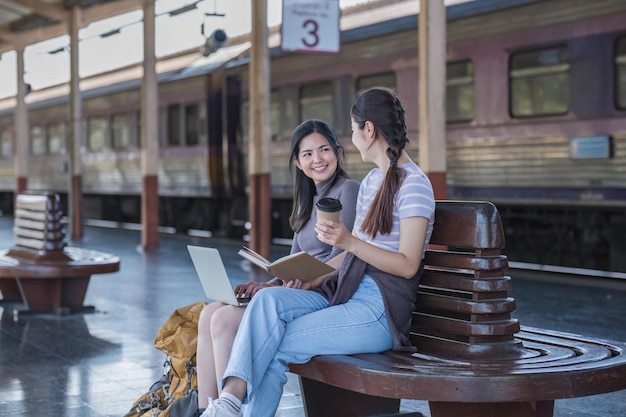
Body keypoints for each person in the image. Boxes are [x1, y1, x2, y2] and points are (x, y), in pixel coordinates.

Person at [200, 86, 436, 417]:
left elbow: (408, 265)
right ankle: (228, 403)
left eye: (353, 130)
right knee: (269, 302)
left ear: (368, 130)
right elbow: (354, 258)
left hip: (380, 311)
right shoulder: (372, 182)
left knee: (273, 344)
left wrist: (348, 241)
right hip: (348, 294)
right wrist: (312, 279)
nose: (352, 139)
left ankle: (228, 404)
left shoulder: (414, 186)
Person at [196, 119, 360, 410]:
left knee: (224, 320)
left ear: (337, 151)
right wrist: (267, 284)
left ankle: (231, 409)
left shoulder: (347, 190)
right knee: (209, 313)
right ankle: (205, 409)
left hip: (326, 294)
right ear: (297, 162)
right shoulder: (306, 202)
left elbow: (345, 255)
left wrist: (306, 281)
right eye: (307, 154)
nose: (317, 159)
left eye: (324, 150)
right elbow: (294, 260)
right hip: (298, 290)